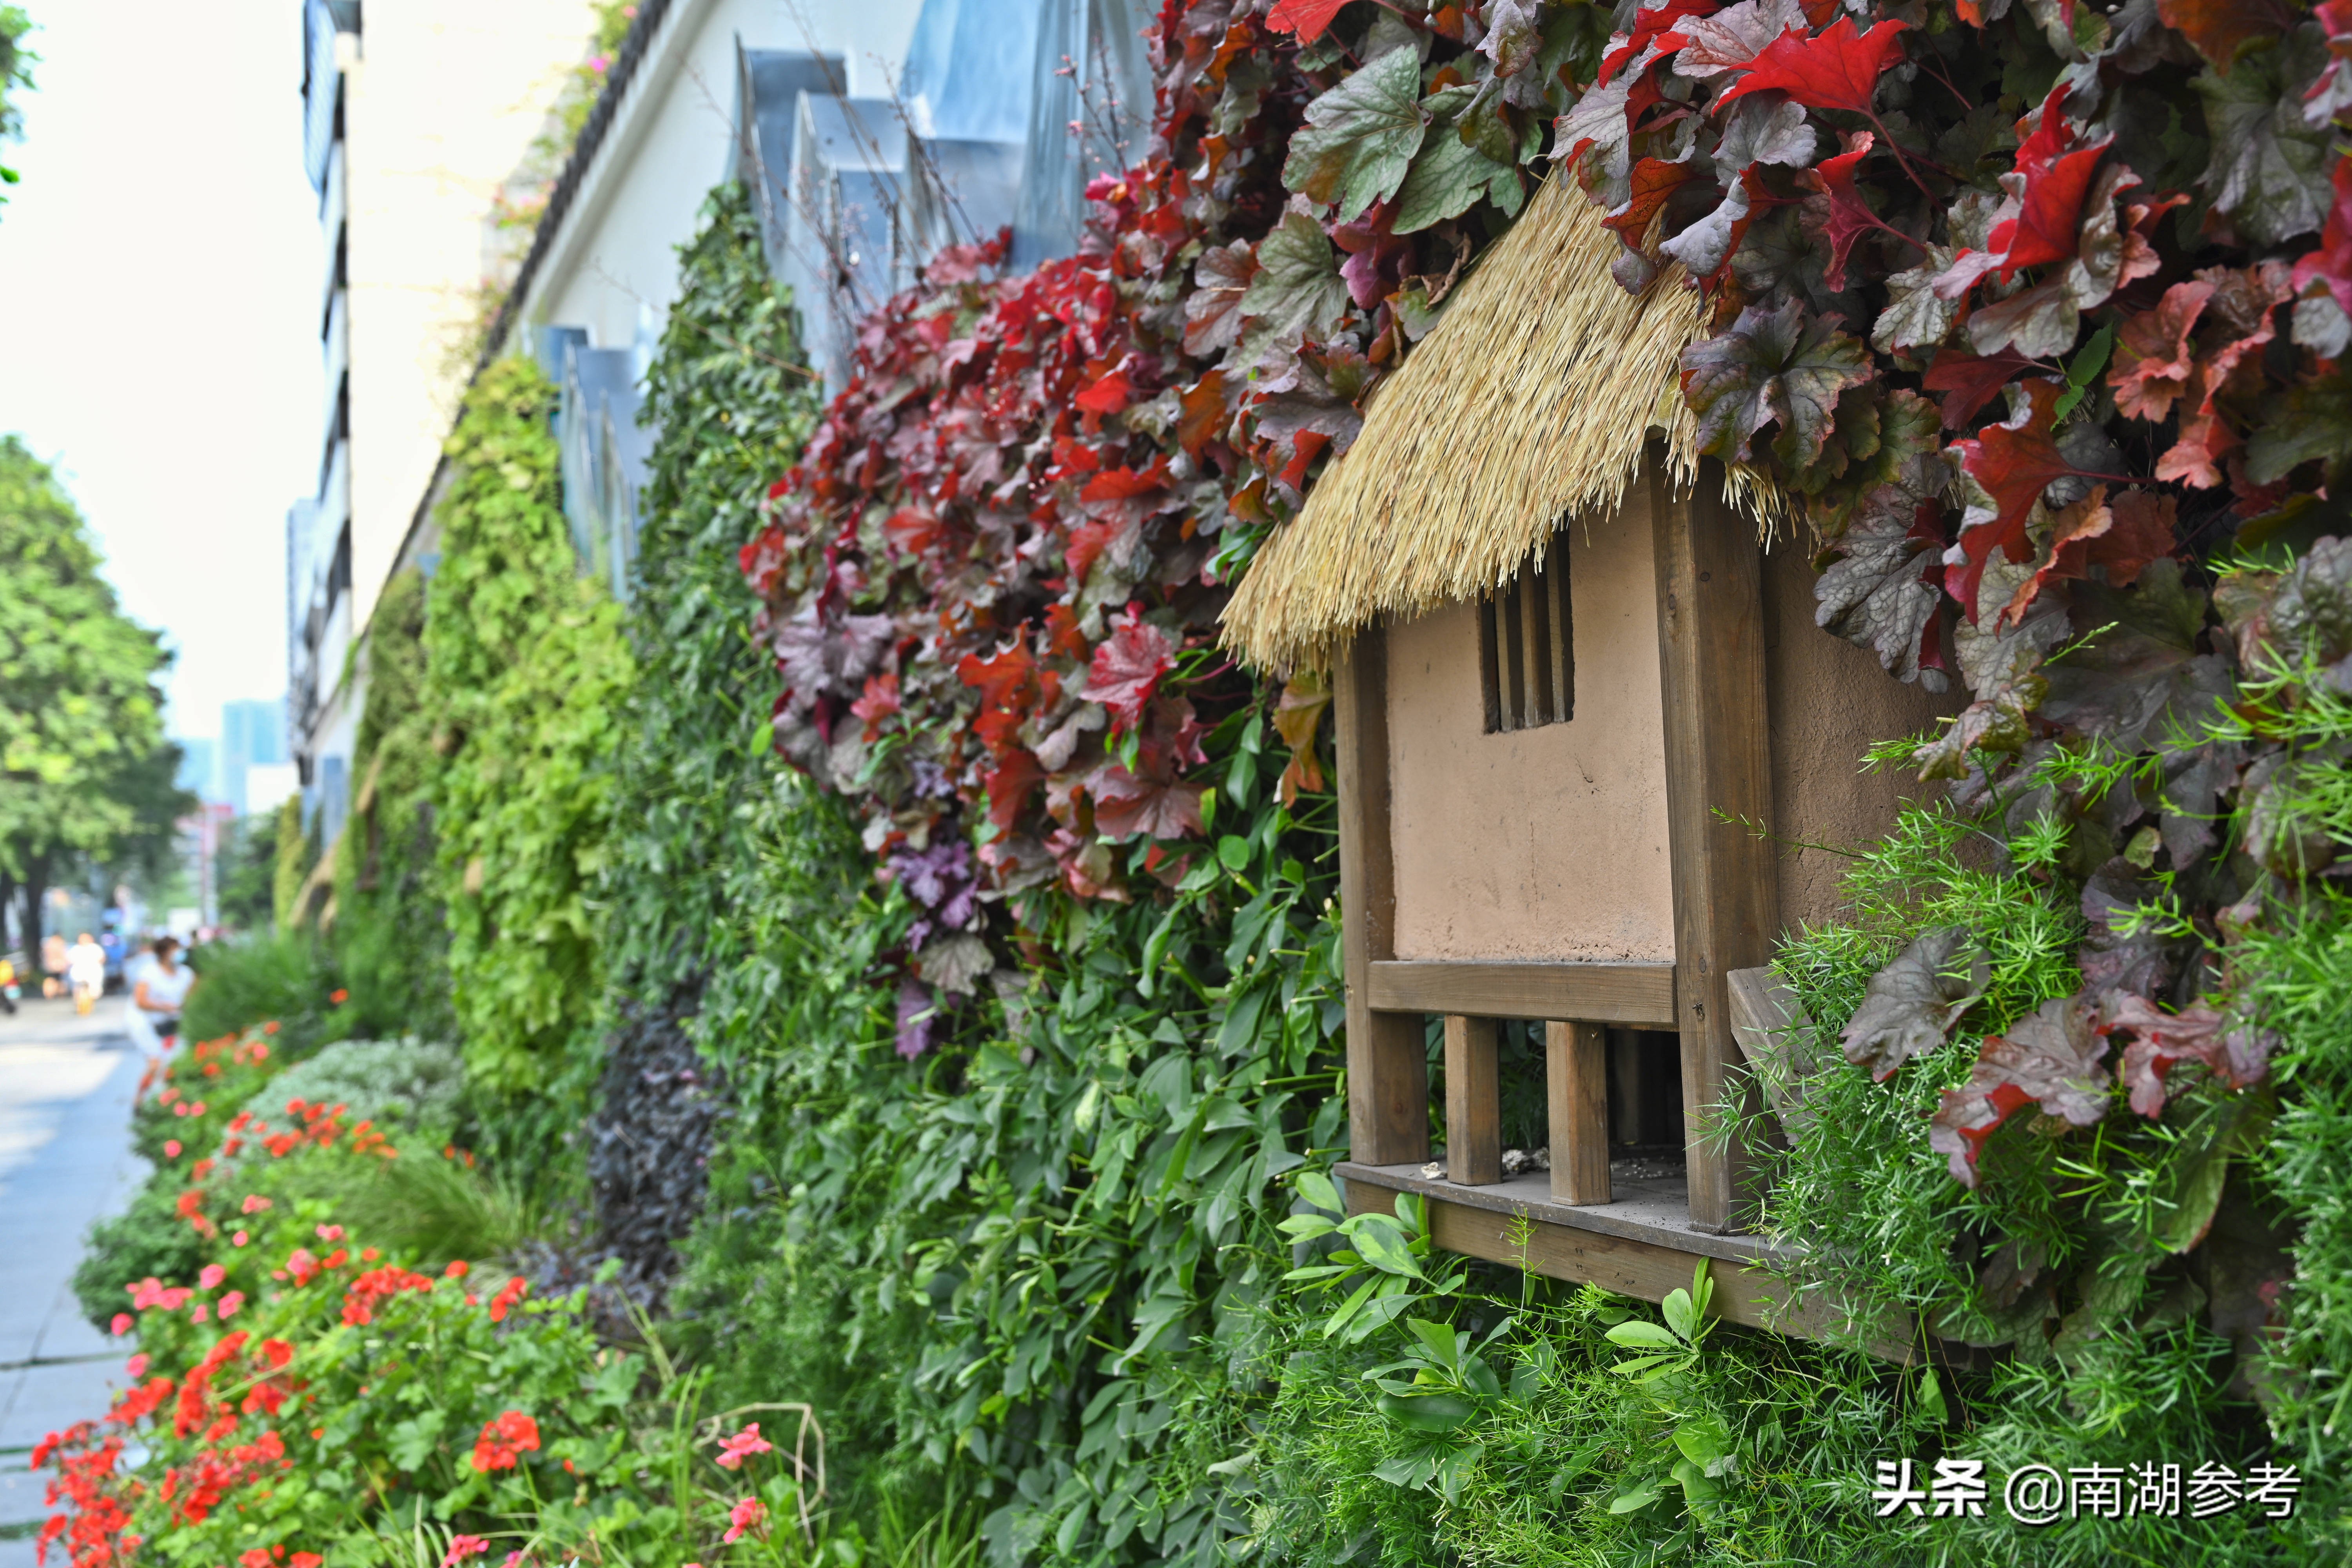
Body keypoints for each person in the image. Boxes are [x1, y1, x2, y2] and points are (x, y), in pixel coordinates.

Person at [128, 936, 194, 1052]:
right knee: (156, 1063)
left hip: (173, 1025)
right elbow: (140, 1001)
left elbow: (193, 996)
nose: (179, 953)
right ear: (164, 953)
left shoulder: (185, 973)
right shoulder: (149, 972)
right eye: (175, 950)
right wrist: (165, 1007)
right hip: (148, 1024)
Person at [66, 931, 105, 1016]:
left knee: (94, 990)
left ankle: (90, 1003)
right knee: (77, 988)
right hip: (79, 973)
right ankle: (79, 1003)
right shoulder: (75, 949)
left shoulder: (95, 948)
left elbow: (102, 959)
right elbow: (69, 960)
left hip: (93, 973)